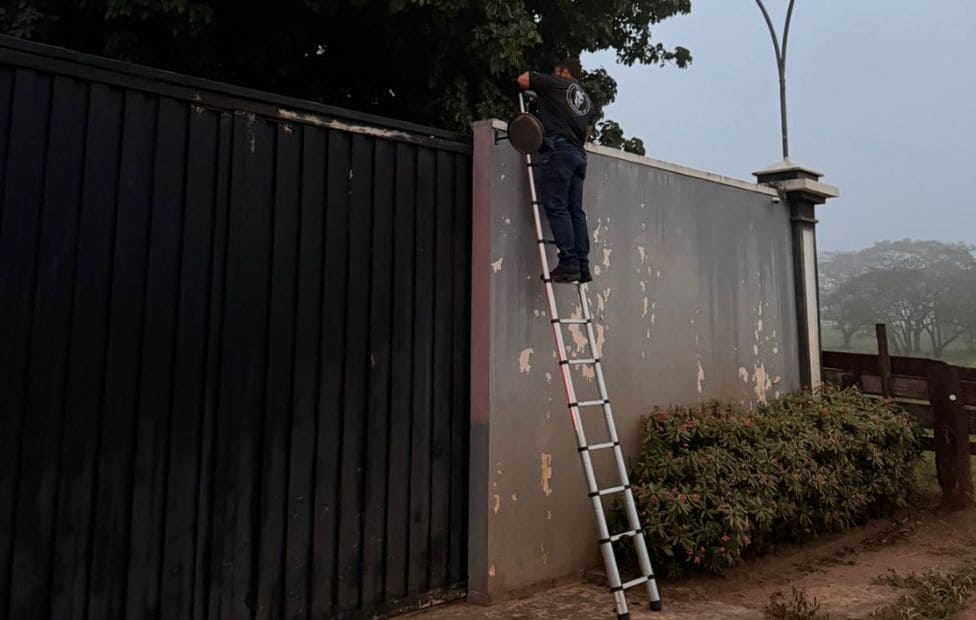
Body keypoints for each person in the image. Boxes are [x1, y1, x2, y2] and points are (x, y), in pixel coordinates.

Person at [517, 58, 596, 283]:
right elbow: (587, 131)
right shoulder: (587, 103)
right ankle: (582, 266)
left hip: (560, 151)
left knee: (557, 206)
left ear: (563, 71)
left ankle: (568, 262)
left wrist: (542, 88)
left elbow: (522, 80)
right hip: (578, 155)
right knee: (575, 210)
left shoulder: (557, 83)